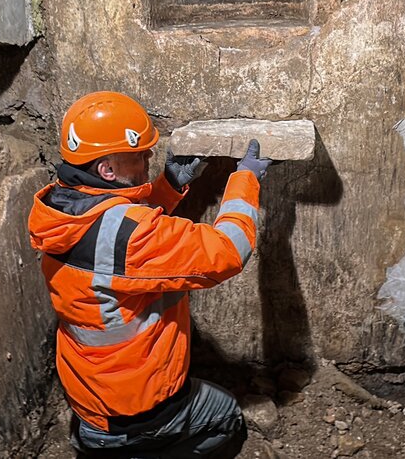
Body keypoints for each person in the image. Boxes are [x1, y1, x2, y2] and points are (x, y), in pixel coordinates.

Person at [28, 91, 270, 457]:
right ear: (107, 171)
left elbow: (114, 239)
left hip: (93, 393)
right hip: (135, 411)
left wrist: (168, 185)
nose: (148, 158)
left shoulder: (59, 210)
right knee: (228, 418)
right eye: (139, 155)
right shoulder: (129, 237)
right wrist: (246, 179)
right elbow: (229, 250)